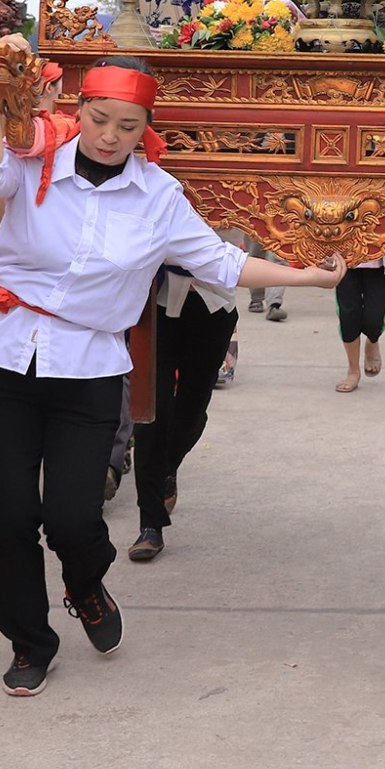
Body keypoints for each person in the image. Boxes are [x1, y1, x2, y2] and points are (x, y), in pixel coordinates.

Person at [0, 48, 344, 696]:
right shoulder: (33, 163)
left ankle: (84, 584)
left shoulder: (159, 195)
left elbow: (221, 264)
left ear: (146, 128)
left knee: (75, 519)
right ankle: (30, 639)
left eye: (127, 125)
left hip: (87, 369)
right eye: (99, 118)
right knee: (12, 514)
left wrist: (307, 275)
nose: (110, 136)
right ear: (78, 110)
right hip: (7, 360)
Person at [129, 237, 246, 562]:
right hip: (157, 305)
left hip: (213, 307)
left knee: (191, 414)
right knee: (151, 416)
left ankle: (168, 466)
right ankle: (150, 524)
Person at [333, 246, 385, 393]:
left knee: (375, 319)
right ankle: (353, 371)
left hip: (379, 257)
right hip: (345, 258)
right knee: (348, 316)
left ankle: (372, 341)